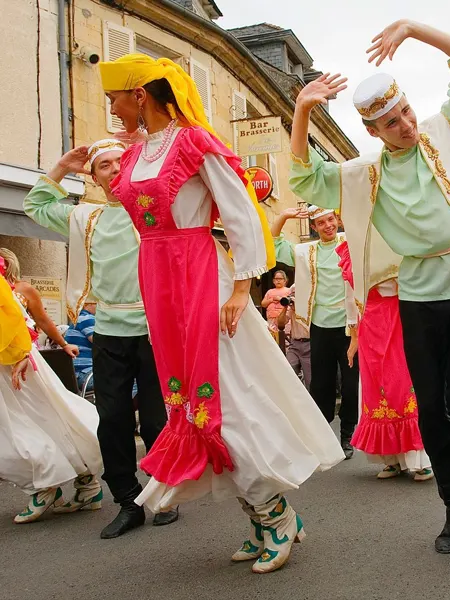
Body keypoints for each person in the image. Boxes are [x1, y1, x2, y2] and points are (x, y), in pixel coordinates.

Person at [98, 53, 343, 573]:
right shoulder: (139, 152)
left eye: (114, 96)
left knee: (226, 395)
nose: (111, 106)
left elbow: (238, 209)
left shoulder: (192, 141)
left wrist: (241, 287)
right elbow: (139, 212)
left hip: (198, 275)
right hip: (160, 280)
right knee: (189, 399)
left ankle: (274, 513)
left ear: (139, 94)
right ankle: (262, 518)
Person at [289, 19, 450, 555]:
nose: (406, 126)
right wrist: (301, 110)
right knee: (432, 410)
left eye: (406, 112)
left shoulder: (443, 131)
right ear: (374, 132)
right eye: (392, 123)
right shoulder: (366, 174)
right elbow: (302, 179)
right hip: (416, 298)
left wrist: (414, 29)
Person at [24, 139, 177, 538]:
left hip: (154, 326)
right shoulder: (84, 217)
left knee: (158, 416)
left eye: (118, 162)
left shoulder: (152, 208)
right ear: (93, 178)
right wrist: (61, 165)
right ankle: (127, 500)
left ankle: (164, 494)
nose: (112, 169)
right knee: (111, 419)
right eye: (103, 165)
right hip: (108, 328)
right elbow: (35, 206)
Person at [0, 255, 103, 524]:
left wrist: (63, 344)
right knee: (24, 423)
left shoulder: (23, 291)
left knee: (48, 416)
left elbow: (41, 322)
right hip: (6, 365)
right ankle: (65, 482)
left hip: (24, 363)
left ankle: (53, 485)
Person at [336, 240, 433, 482]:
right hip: (369, 322)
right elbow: (351, 296)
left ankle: (419, 460)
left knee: (402, 387)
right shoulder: (351, 247)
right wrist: (353, 338)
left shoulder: (394, 237)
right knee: (375, 392)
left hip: (399, 317)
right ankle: (389, 459)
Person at [271, 206, 360, 459]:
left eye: (331, 220)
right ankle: (323, 439)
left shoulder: (350, 242)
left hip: (349, 326)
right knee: (321, 386)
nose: (328, 226)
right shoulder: (305, 250)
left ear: (338, 220)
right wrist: (284, 216)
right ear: (314, 227)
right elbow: (275, 243)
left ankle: (347, 435)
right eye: (321, 223)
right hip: (320, 327)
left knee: (352, 386)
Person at [276, 284, 312, 391]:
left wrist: (300, 307)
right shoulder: (291, 309)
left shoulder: (311, 307)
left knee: (310, 382)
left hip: (309, 345)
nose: (293, 297)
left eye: (295, 294)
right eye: (292, 294)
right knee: (287, 373)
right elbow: (281, 325)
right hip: (294, 345)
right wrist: (285, 307)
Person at [64, 303, 96, 392]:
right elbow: (104, 344)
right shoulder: (87, 319)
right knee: (132, 378)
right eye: (97, 303)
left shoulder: (76, 320)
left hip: (73, 376)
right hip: (86, 376)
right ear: (87, 304)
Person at [261, 270, 291, 341]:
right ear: (273, 281)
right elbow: (263, 304)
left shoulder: (289, 290)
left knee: (284, 339)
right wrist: (271, 300)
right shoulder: (270, 291)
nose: (278, 281)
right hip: (271, 319)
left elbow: (290, 302)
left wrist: (280, 299)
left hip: (284, 320)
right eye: (276, 279)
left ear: (285, 280)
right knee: (272, 338)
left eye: (280, 279)